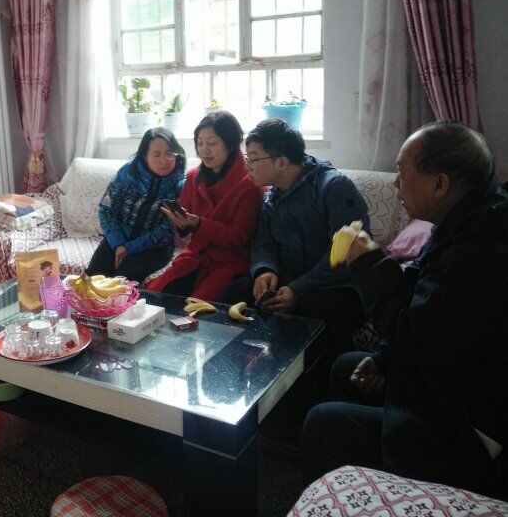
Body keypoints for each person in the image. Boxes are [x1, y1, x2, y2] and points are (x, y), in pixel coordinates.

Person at [302, 121, 508, 500]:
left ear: (439, 184)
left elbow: (415, 334)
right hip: (445, 374)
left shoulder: (484, 251)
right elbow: (424, 303)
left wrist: (368, 263)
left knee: (323, 424)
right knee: (348, 367)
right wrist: (385, 358)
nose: (396, 184)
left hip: (470, 421)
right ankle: (367, 487)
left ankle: (379, 494)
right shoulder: (463, 220)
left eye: (401, 171)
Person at [228, 119, 370, 357]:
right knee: (238, 291)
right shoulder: (271, 195)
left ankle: (308, 376)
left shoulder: (334, 187)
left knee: (315, 309)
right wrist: (264, 270)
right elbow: (263, 243)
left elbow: (345, 253)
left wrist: (297, 288)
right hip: (292, 279)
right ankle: (245, 371)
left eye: (253, 158)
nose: (247, 166)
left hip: (337, 284)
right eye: (246, 158)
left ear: (282, 162)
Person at [145, 112, 262, 301]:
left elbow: (240, 236)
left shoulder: (250, 183)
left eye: (212, 143)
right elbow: (187, 222)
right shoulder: (194, 176)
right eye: (200, 143)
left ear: (230, 144)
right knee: (153, 296)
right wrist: (182, 224)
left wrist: (198, 224)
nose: (204, 150)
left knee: (196, 310)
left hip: (230, 262)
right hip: (196, 255)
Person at [86, 127, 186, 283]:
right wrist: (118, 244)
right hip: (117, 239)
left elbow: (167, 229)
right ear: (145, 156)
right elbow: (106, 209)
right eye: (157, 154)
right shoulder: (128, 173)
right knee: (92, 279)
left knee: (121, 282)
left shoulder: (180, 185)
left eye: (169, 153)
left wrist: (129, 248)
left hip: (153, 248)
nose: (164, 160)